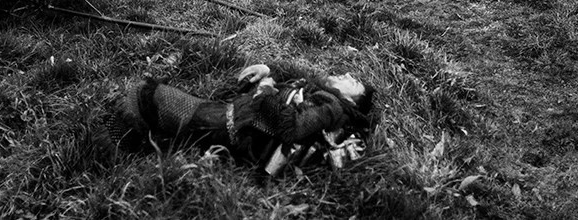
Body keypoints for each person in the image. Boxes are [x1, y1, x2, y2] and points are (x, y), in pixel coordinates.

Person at [100, 64, 375, 175]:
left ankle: (117, 151)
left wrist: (266, 89)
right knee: (152, 99)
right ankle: (145, 140)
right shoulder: (322, 94)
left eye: (354, 83)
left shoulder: (333, 107)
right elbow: (292, 93)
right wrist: (268, 72)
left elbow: (292, 128)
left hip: (230, 126)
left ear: (351, 101)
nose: (348, 76)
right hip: (233, 115)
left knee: (143, 95)